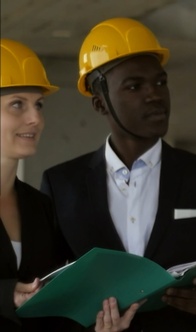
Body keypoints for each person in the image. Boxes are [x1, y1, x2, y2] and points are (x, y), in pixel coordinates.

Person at [40, 17, 196, 332]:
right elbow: (47, 295)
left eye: (160, 82)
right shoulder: (61, 185)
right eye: (134, 86)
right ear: (101, 104)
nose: (154, 95)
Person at [0, 39, 140, 332]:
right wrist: (5, 294)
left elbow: (50, 311)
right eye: (17, 105)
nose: (35, 118)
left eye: (38, 105)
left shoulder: (39, 206)